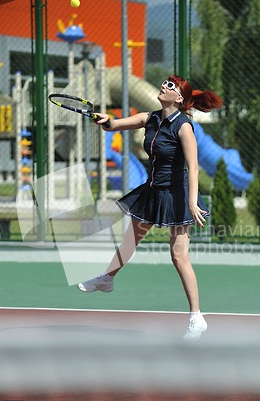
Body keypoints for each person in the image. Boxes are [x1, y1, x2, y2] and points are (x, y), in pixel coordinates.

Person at [78, 75, 223, 340]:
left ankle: (197, 317)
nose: (164, 87)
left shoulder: (184, 127)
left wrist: (192, 201)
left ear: (179, 98)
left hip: (178, 194)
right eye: (165, 83)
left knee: (179, 256)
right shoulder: (150, 118)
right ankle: (107, 278)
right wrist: (104, 119)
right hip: (154, 190)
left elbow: (193, 167)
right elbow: (113, 126)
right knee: (130, 240)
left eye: (171, 86)